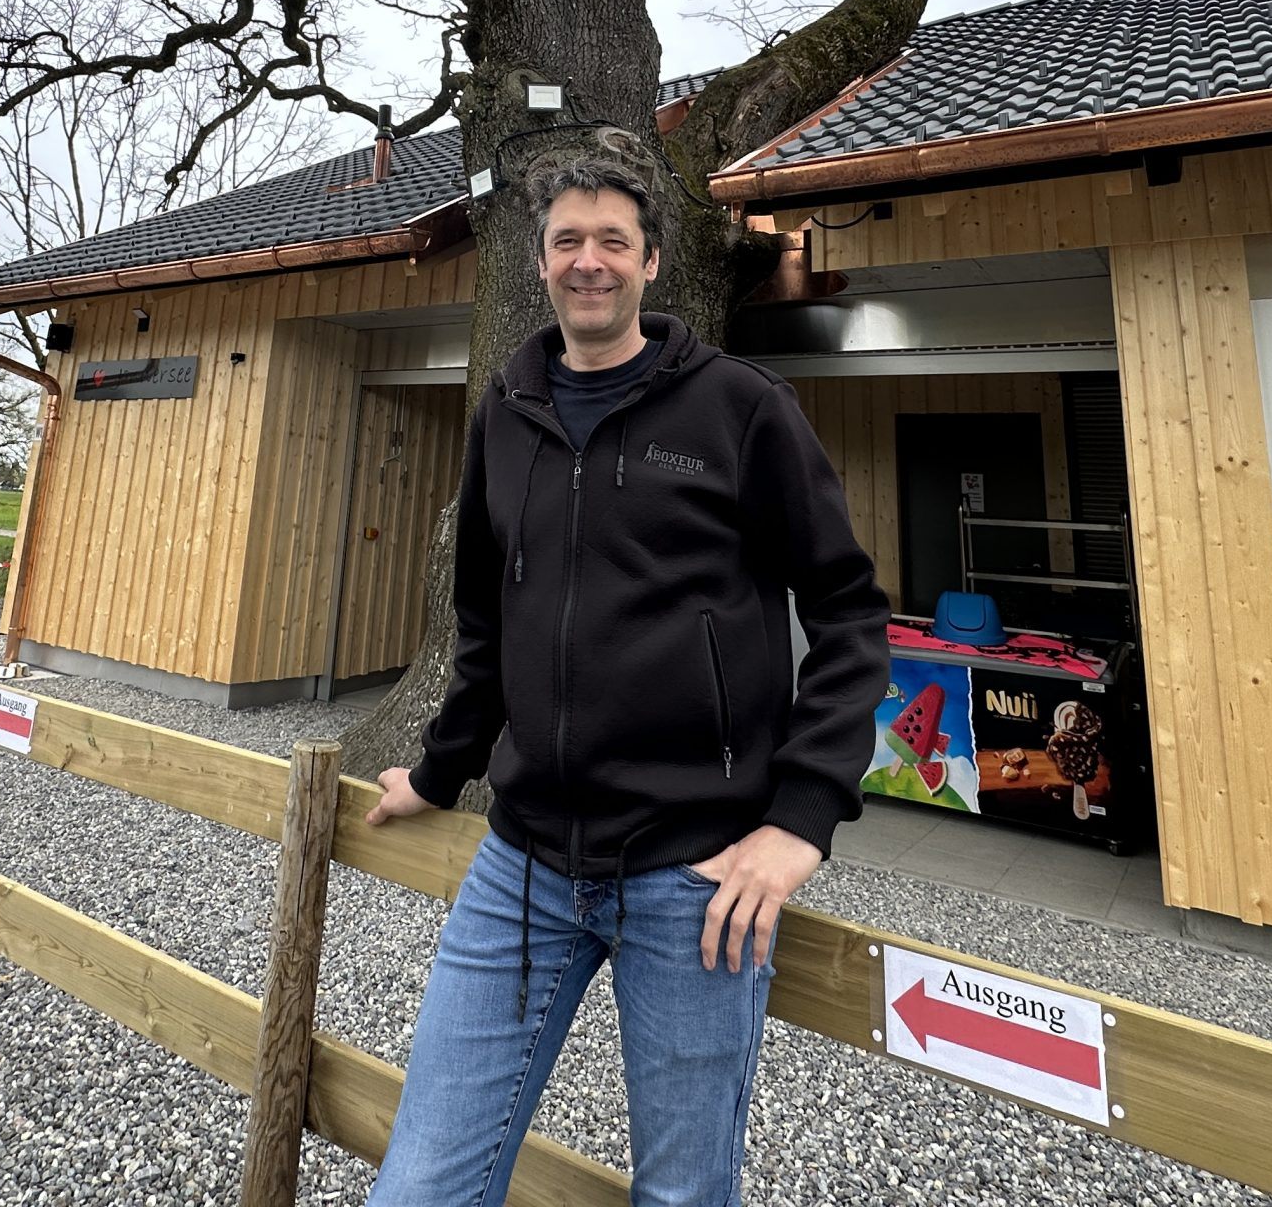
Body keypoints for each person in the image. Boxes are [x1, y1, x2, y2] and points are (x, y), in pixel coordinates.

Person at [363, 152, 889, 1207]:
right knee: (420, 1184)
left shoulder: (743, 409)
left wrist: (803, 813)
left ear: (651, 264)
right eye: (568, 241)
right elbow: (484, 622)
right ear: (541, 264)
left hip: (695, 880)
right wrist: (438, 772)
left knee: (684, 1197)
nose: (589, 262)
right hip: (523, 867)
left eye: (613, 242)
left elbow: (848, 612)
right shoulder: (504, 412)